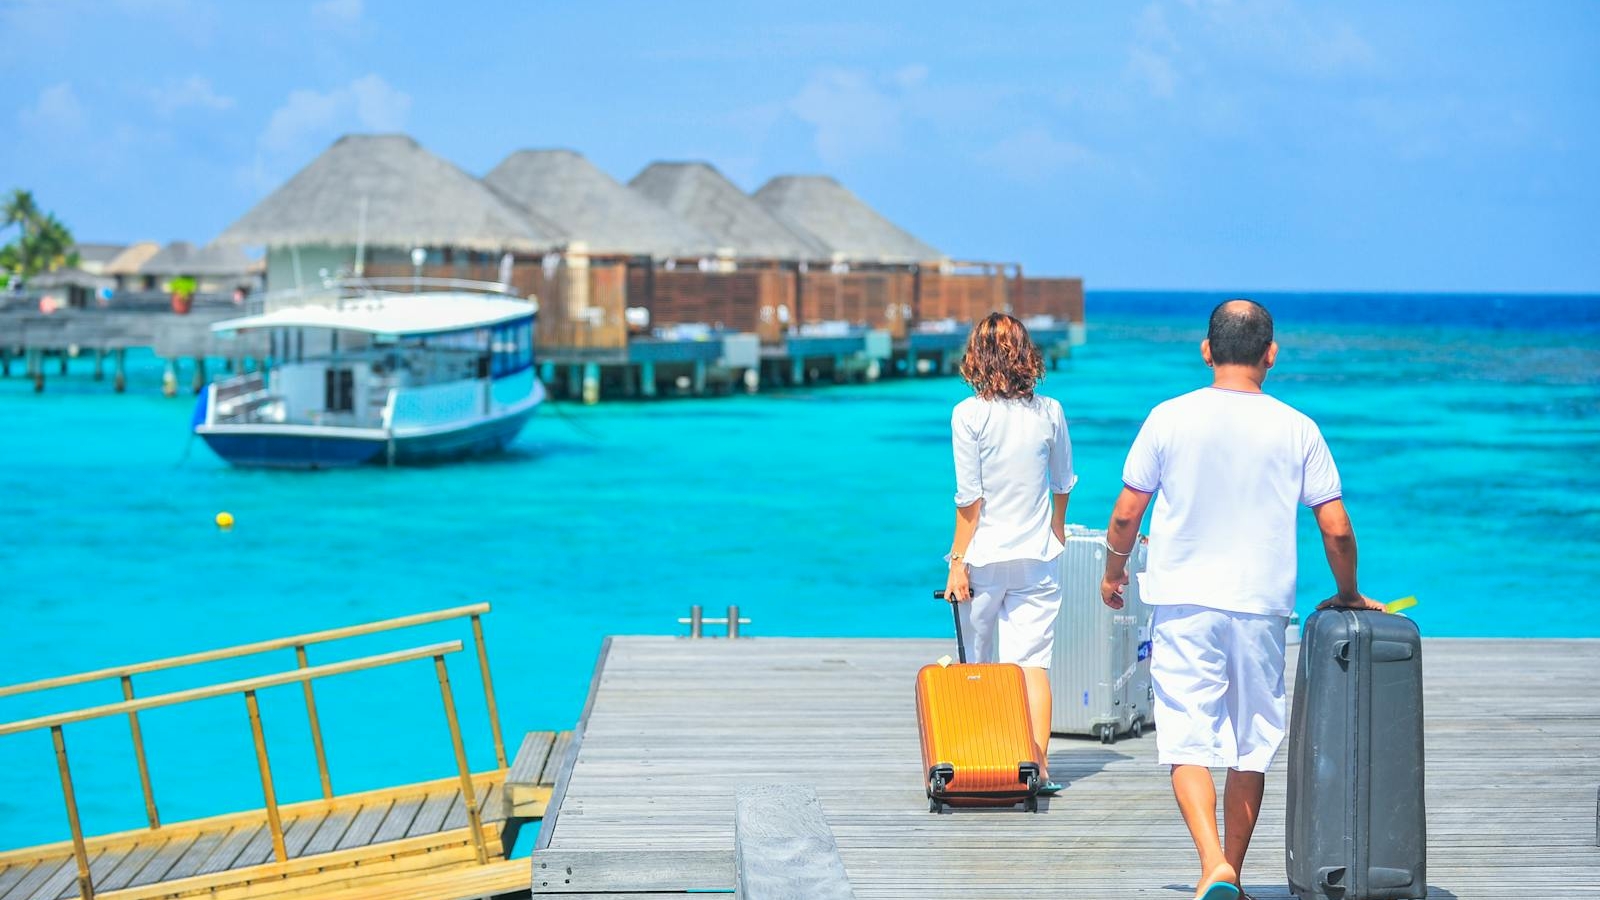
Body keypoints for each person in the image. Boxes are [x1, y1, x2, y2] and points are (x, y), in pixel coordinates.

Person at [1099, 299, 1384, 900]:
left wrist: (1112, 573)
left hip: (1183, 600)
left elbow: (1127, 514)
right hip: (1260, 606)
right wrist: (1349, 593)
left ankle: (1212, 868)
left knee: (1187, 735)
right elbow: (1335, 527)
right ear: (1271, 354)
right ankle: (1232, 868)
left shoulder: (1167, 417)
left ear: (1206, 351)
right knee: (1251, 740)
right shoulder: (1298, 427)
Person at [943, 312, 1076, 792]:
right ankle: (1037, 768)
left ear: (975, 357)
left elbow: (969, 500)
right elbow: (1063, 482)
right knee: (1032, 665)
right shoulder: (1051, 411)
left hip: (983, 558)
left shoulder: (969, 414)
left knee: (974, 666)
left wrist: (956, 562)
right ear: (1026, 356)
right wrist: (1055, 529)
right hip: (1037, 558)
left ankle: (979, 760)